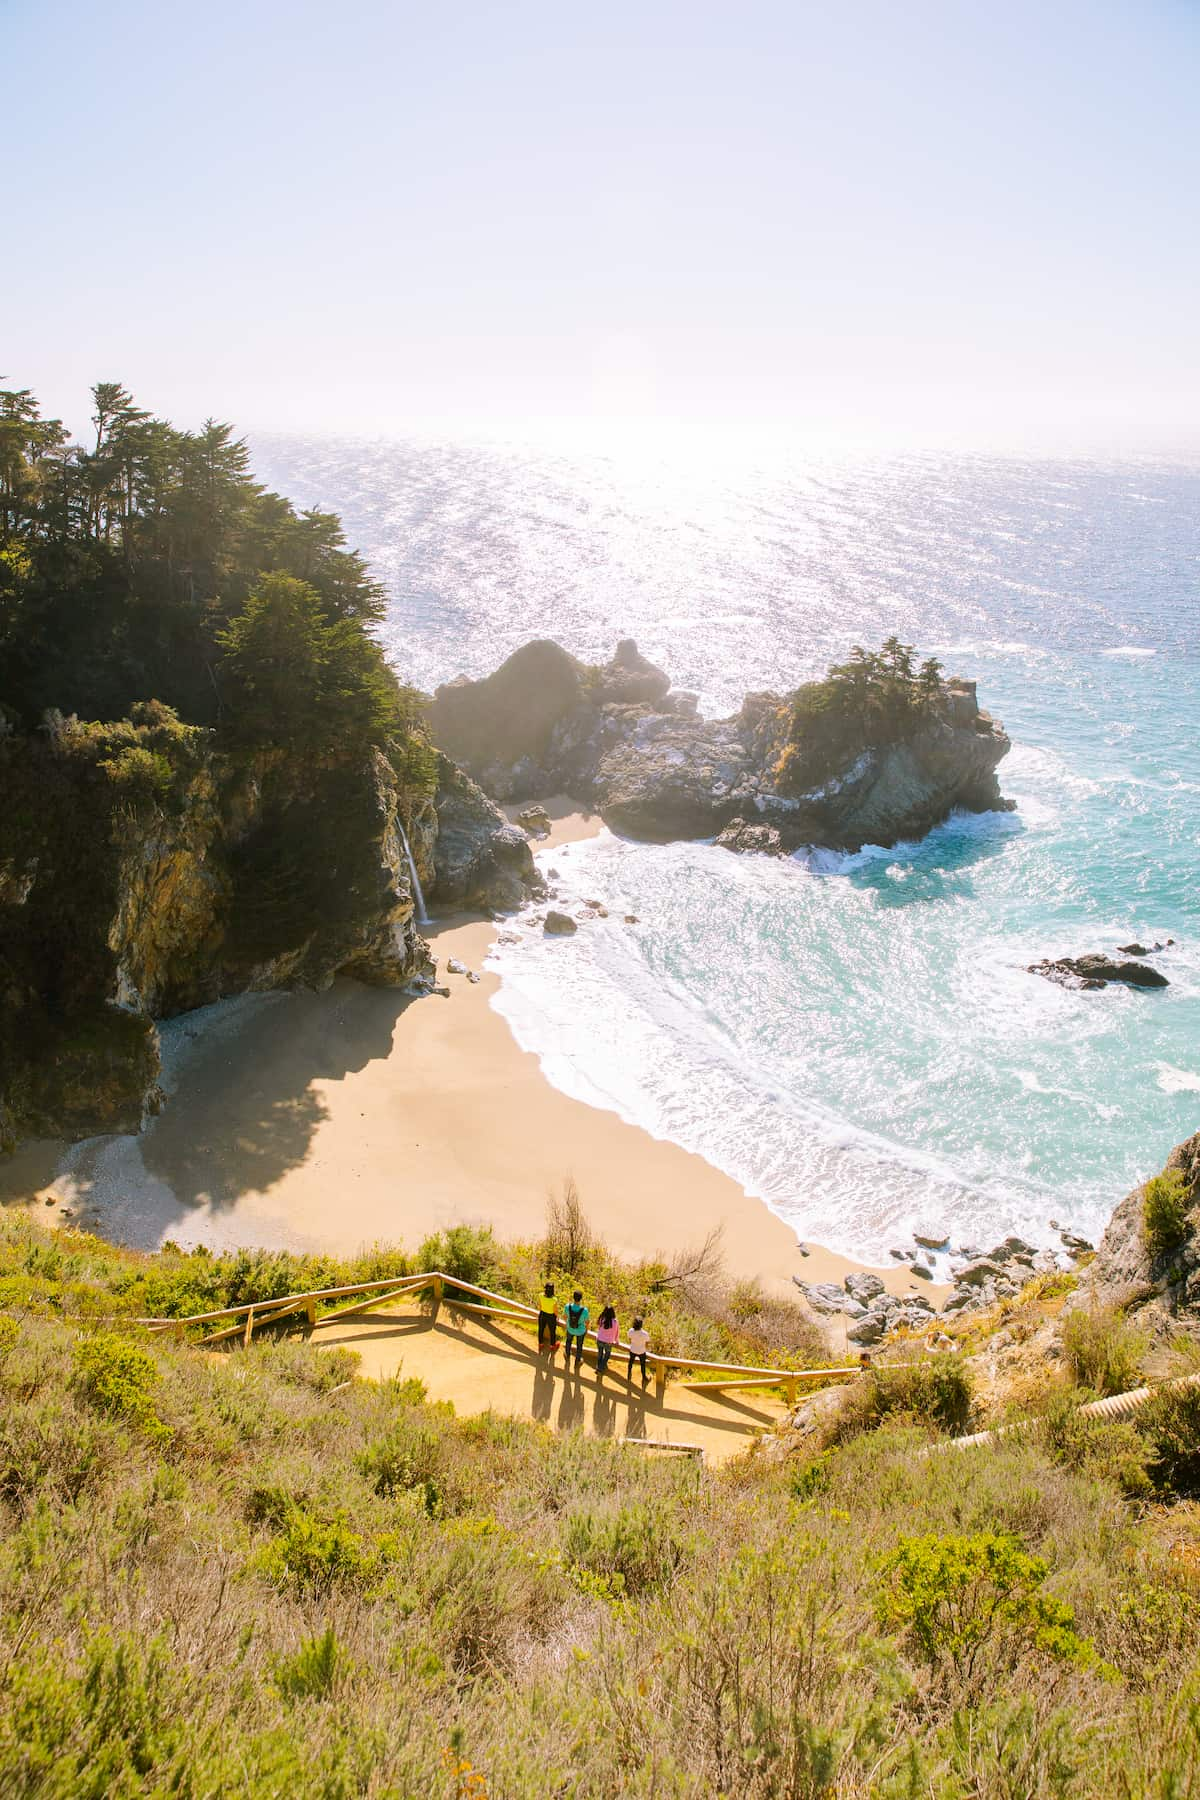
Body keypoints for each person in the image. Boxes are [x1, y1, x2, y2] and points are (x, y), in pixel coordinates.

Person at [564, 1289, 589, 1370]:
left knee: (568, 1341)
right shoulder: (584, 1310)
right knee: (579, 1346)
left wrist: (567, 1324)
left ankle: (567, 1354)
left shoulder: (567, 1306)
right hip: (580, 1331)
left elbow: (565, 1317)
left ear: (573, 1297)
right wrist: (586, 1330)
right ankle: (577, 1361)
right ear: (581, 1298)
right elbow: (587, 1322)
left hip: (570, 1328)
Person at [595, 1305, 619, 1376]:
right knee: (607, 1355)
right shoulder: (615, 1321)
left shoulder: (602, 1319)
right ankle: (601, 1368)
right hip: (609, 1341)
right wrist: (617, 1341)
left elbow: (599, 1327)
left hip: (600, 1339)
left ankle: (598, 1367)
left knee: (600, 1353)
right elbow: (617, 1332)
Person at [627, 1316, 650, 1386]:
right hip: (641, 1351)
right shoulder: (645, 1333)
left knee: (631, 1361)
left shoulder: (631, 1331)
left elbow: (629, 1340)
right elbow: (647, 1343)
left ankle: (629, 1373)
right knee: (643, 1364)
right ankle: (644, 1377)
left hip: (633, 1349)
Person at [537, 1282, 558, 1354]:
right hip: (551, 1316)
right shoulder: (554, 1299)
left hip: (542, 1313)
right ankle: (552, 1345)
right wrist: (557, 1316)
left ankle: (540, 1344)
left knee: (541, 1329)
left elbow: (540, 1306)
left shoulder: (540, 1295)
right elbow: (555, 1310)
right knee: (552, 1331)